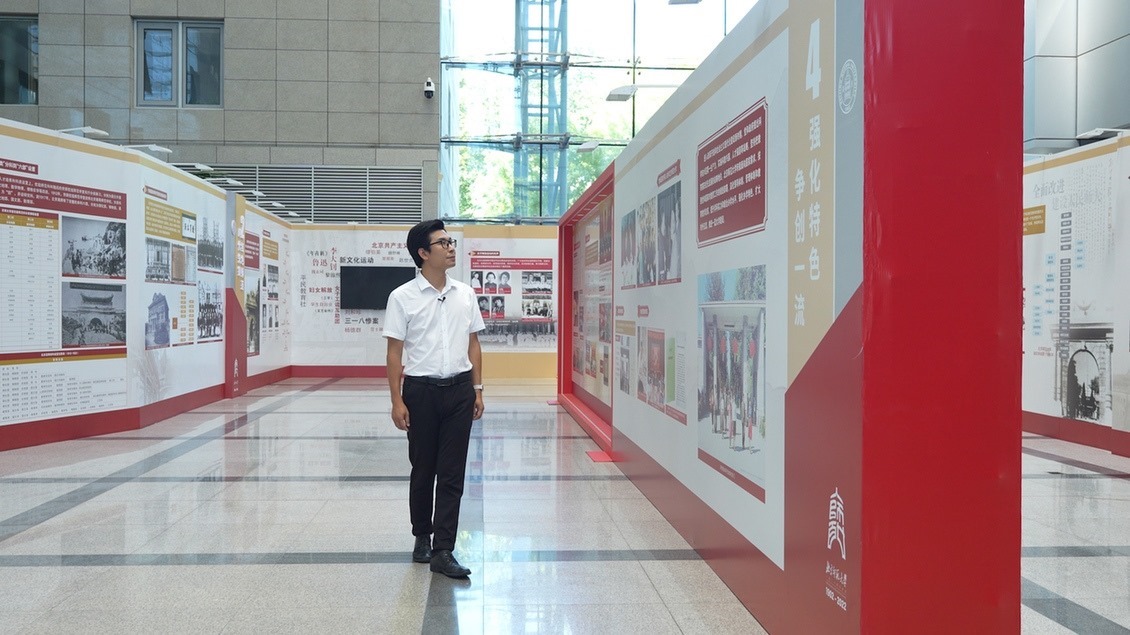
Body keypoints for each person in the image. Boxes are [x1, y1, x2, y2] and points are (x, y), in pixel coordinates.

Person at [384, 220, 485, 579]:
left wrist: (477, 389)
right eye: (442, 243)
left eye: (450, 241)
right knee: (423, 469)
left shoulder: (465, 294)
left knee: (453, 473)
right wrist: (397, 401)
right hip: (421, 392)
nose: (450, 247)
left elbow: (474, 343)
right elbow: (394, 352)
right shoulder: (402, 297)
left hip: (459, 390)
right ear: (423, 253)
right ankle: (422, 537)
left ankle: (444, 549)